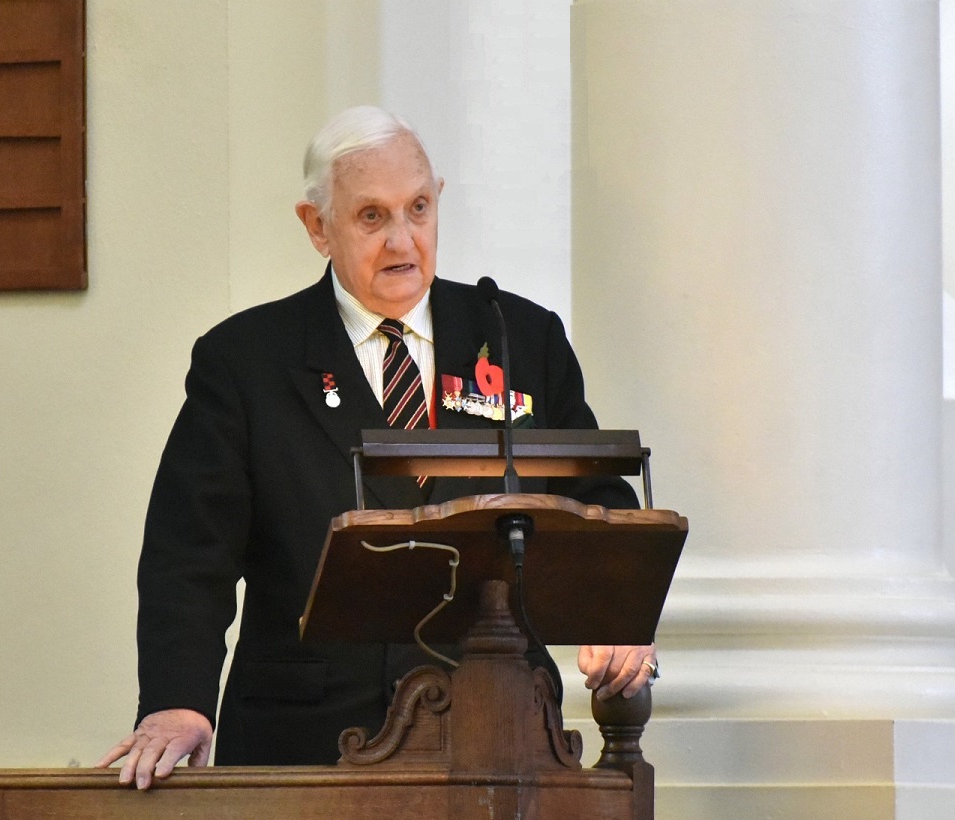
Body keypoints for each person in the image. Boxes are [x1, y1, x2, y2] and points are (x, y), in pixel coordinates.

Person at [97, 106, 657, 789]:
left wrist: (618, 615)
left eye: (418, 208)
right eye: (371, 217)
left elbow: (593, 494)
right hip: (304, 738)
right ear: (316, 227)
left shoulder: (517, 337)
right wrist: (177, 700)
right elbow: (189, 556)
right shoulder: (246, 362)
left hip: (496, 730)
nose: (402, 240)